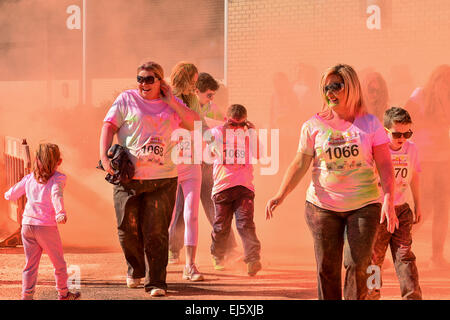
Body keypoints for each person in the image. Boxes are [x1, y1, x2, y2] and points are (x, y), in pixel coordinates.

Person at [266, 63, 398, 300]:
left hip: (364, 206)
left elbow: (386, 165)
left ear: (352, 88)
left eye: (337, 86)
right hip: (322, 207)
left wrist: (389, 197)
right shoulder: (312, 126)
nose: (330, 92)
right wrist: (281, 194)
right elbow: (299, 163)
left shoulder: (371, 124)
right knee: (327, 268)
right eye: (326, 87)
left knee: (357, 264)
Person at [99, 60, 199, 297]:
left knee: (156, 231)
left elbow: (194, 123)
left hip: (163, 179)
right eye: (140, 79)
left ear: (160, 81)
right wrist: (104, 157)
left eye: (150, 79)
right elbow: (108, 126)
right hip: (128, 178)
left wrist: (172, 100)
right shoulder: (126, 99)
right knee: (127, 229)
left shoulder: (171, 104)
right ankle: (135, 270)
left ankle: (156, 282)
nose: (144, 83)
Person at [170, 72, 239, 263]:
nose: (211, 99)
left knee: (215, 209)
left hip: (206, 165)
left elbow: (226, 127)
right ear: (195, 92)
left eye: (213, 95)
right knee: (180, 209)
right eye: (208, 95)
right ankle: (173, 249)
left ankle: (229, 247)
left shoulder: (214, 110)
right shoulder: (182, 107)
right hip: (186, 163)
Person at [3, 143, 80, 300]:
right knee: (59, 264)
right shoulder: (58, 178)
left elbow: (11, 194)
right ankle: (64, 293)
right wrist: (60, 213)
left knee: (30, 265)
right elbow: (56, 194)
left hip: (27, 225)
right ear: (59, 162)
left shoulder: (29, 178)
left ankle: (27, 296)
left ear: (37, 159)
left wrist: (8, 194)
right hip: (45, 227)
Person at [368, 107, 422, 300]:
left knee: (405, 256)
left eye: (407, 133)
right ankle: (371, 295)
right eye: (397, 134)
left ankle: (412, 296)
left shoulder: (412, 148)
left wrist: (418, 204)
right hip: (379, 212)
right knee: (374, 259)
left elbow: (415, 176)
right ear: (385, 131)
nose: (402, 138)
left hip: (402, 210)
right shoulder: (377, 150)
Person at [404, 64, 450, 269]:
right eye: (445, 80)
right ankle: (400, 242)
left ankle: (436, 256)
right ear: (435, 79)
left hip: (444, 158)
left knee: (443, 207)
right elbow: (403, 120)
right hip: (424, 158)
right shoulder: (419, 95)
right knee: (426, 206)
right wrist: (429, 123)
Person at [209, 104, 262, 276]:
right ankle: (218, 255)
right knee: (221, 226)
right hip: (222, 187)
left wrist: (253, 133)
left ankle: (253, 259)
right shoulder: (217, 132)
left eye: (241, 124)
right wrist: (224, 133)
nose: (237, 128)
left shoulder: (249, 134)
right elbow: (209, 154)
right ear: (226, 120)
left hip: (244, 187)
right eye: (233, 124)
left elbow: (260, 154)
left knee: (245, 224)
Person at [167, 62, 204, 281]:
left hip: (191, 160)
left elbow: (197, 126)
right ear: (184, 78)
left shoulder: (193, 101)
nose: (195, 85)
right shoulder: (165, 96)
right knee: (166, 216)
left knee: (192, 214)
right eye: (193, 80)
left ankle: (190, 265)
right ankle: (154, 263)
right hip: (169, 163)